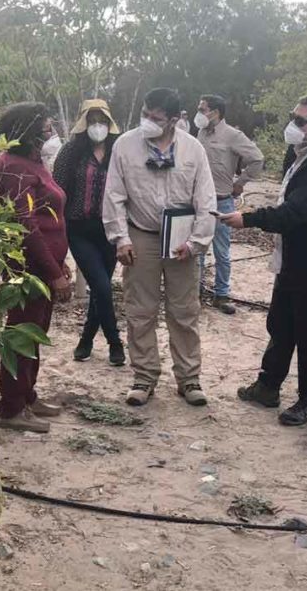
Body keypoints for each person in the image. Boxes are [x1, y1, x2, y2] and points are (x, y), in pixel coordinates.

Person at [223, 96, 307, 426]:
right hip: (291, 257)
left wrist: (247, 219)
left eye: (300, 120)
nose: (291, 125)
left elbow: (295, 211)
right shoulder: (297, 154)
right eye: (292, 117)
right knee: (280, 323)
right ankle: (269, 385)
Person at [102, 88, 216, 407]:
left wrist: (196, 242)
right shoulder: (125, 145)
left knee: (184, 310)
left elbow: (205, 199)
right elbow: (114, 195)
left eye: (158, 118)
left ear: (174, 120)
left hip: (182, 238)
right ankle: (144, 376)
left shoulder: (193, 149)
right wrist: (120, 238)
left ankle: (189, 378)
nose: (149, 123)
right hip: (141, 235)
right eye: (146, 115)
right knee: (140, 309)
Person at [0, 102, 72, 433]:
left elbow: (48, 219)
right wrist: (52, 271)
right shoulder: (14, 168)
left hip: (44, 264)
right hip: (28, 268)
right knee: (21, 336)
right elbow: (25, 225)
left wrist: (58, 265)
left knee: (34, 333)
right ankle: (10, 408)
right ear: (30, 131)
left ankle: (26, 396)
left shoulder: (32, 163)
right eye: (47, 127)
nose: (51, 133)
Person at [53, 99, 125, 367]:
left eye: (102, 121)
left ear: (109, 123)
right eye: (92, 120)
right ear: (84, 123)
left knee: (100, 289)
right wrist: (58, 233)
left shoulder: (118, 150)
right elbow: (58, 193)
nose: (98, 126)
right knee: (103, 286)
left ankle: (85, 340)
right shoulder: (70, 152)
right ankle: (115, 342)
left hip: (110, 230)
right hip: (79, 229)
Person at [195, 94, 264, 314]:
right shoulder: (201, 133)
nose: (199, 113)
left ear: (215, 112)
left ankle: (221, 295)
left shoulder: (233, 135)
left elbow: (257, 159)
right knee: (197, 249)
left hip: (222, 201)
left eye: (202, 109)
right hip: (198, 201)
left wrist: (240, 183)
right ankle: (193, 294)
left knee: (222, 251)